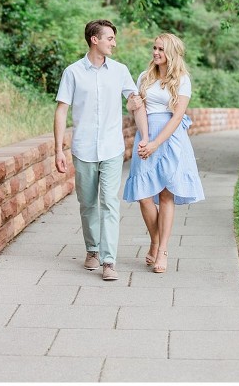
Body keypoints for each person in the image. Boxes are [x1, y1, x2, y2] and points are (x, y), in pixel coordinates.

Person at [54, 19, 145, 282]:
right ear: (95, 40)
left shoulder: (120, 71)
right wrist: (58, 149)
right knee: (87, 203)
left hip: (112, 147)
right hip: (82, 148)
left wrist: (135, 102)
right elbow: (61, 110)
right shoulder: (72, 72)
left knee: (109, 202)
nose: (114, 43)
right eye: (110, 38)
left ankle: (108, 260)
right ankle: (92, 249)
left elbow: (133, 99)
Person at [123, 33, 205, 274]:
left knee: (166, 195)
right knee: (144, 196)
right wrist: (145, 138)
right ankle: (155, 240)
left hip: (170, 139)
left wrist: (157, 143)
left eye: (161, 49)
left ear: (171, 53)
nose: (156, 52)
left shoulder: (182, 79)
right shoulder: (144, 77)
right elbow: (138, 109)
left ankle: (163, 250)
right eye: (154, 48)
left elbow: (178, 116)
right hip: (146, 134)